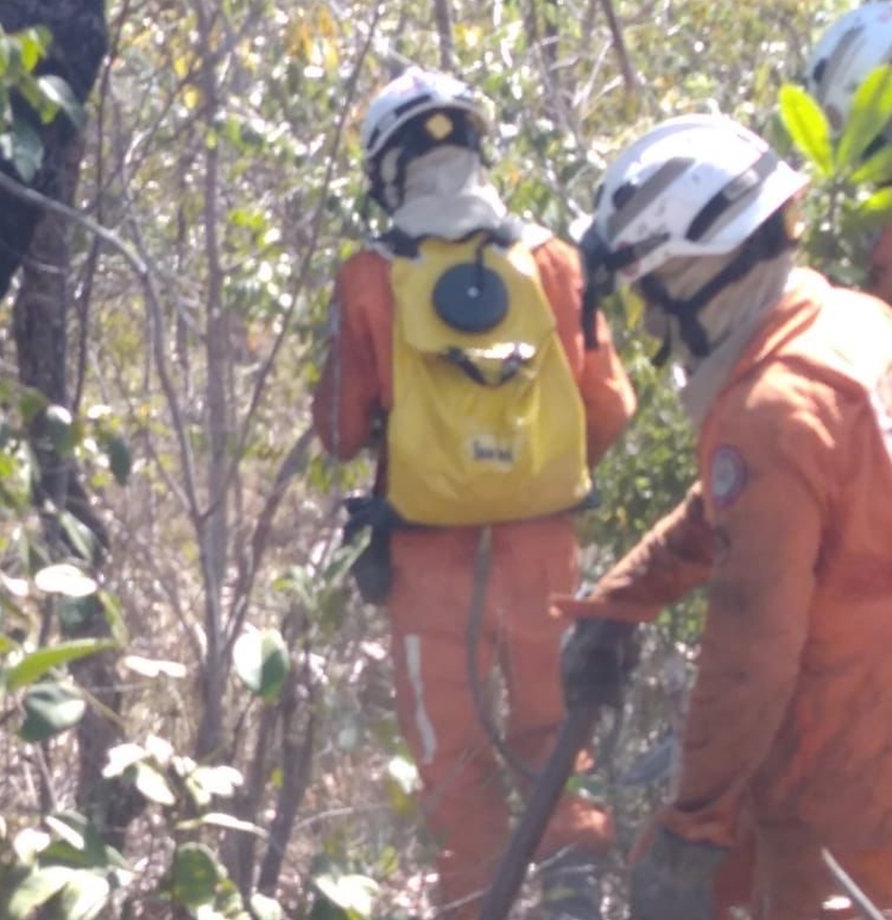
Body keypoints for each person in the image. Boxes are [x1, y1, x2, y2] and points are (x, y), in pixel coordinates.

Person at [311, 67, 636, 919]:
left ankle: (472, 903)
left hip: (429, 557)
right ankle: (574, 884)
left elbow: (341, 434)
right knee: (551, 719)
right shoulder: (555, 261)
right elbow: (612, 404)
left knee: (451, 749)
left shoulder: (369, 278)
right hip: (544, 545)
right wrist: (540, 477)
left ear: (386, 169)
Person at [565, 111, 892, 919]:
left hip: (853, 776)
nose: (649, 322)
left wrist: (696, 825)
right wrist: (620, 601)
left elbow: (753, 650)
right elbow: (731, 511)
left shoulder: (773, 412)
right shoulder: (852, 324)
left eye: (648, 293)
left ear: (691, 273)